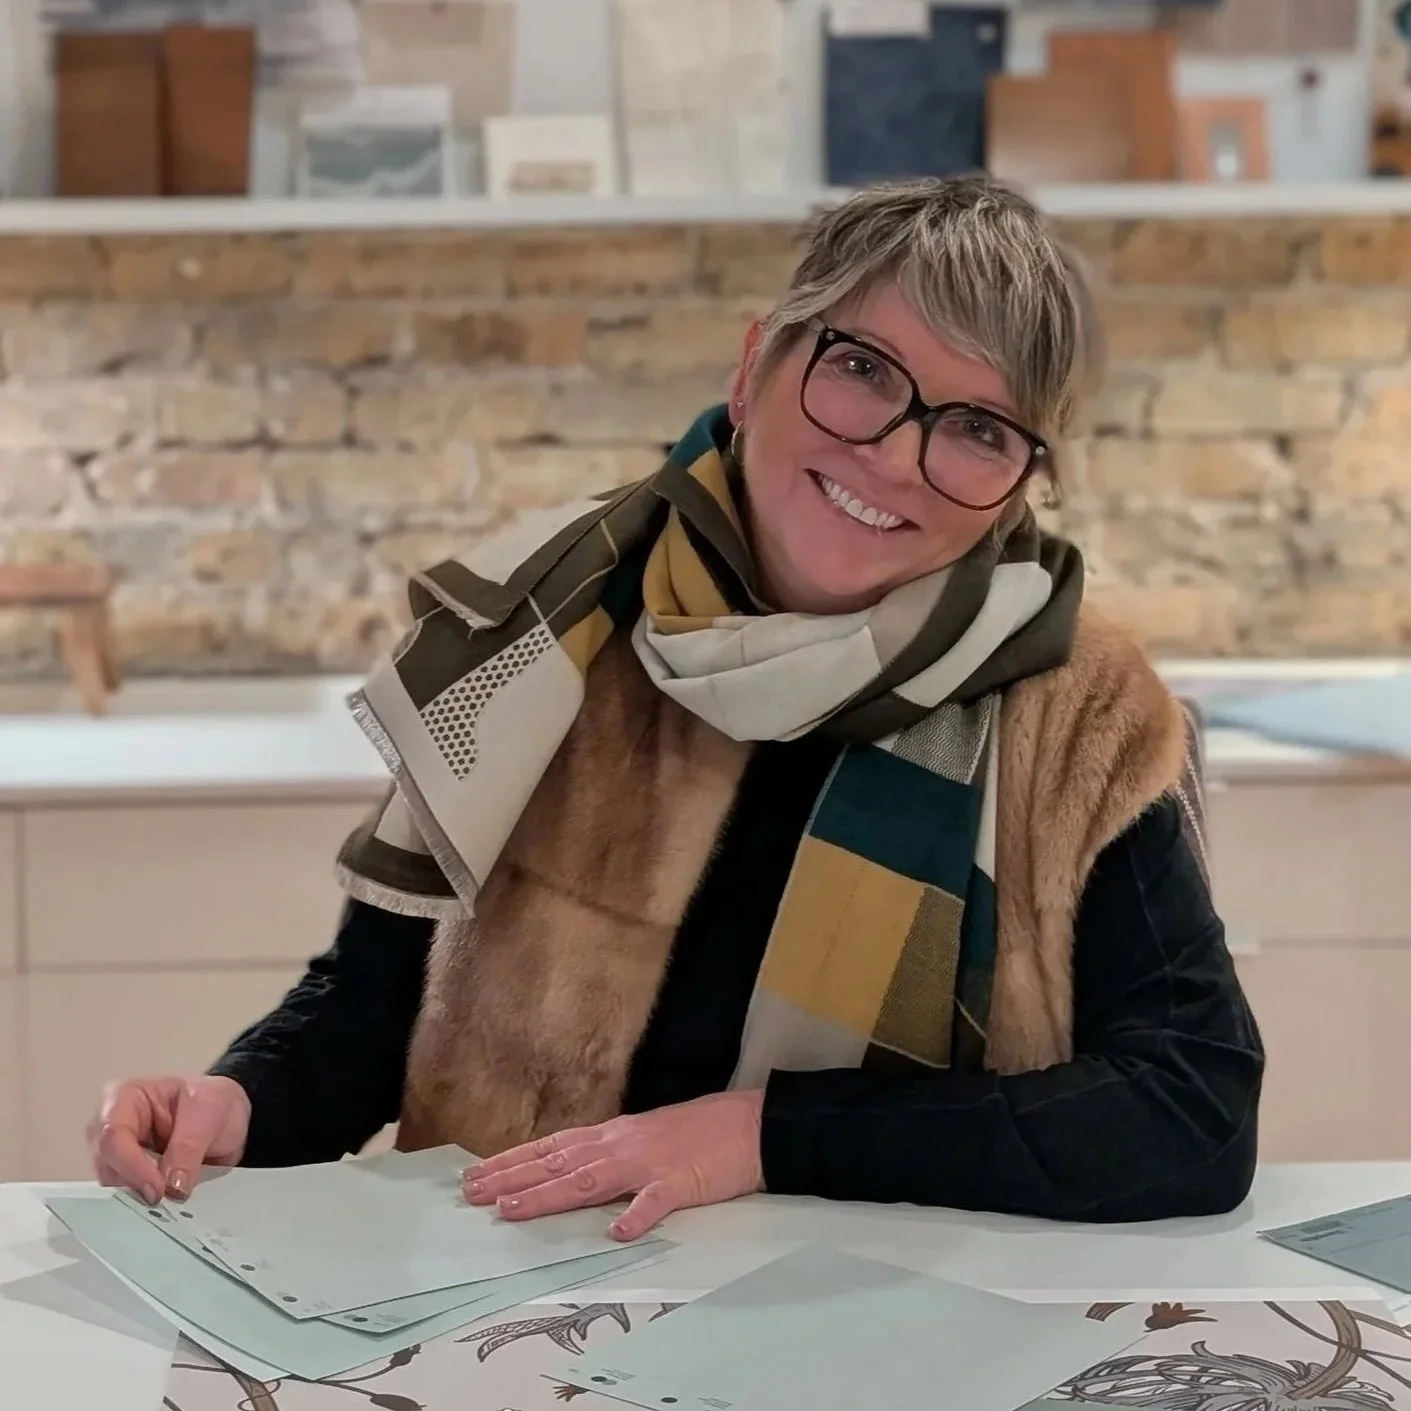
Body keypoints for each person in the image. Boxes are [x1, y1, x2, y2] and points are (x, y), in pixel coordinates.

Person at [87, 177, 1263, 1239]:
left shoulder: (1074, 701)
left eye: (977, 428)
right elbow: (372, 1006)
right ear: (755, 368)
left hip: (870, 1319)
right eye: (860, 367)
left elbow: (1190, 1109)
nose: (897, 459)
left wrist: (757, 1135)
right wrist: (235, 1098)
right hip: (510, 1298)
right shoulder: (546, 630)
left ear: (1019, 480)